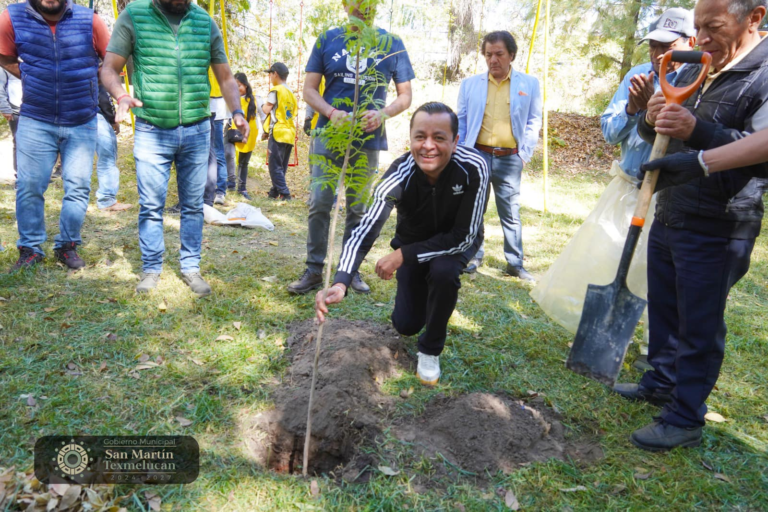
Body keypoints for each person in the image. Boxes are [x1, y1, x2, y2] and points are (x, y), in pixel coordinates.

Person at [613, 0, 768, 452]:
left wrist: (697, 131)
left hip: (721, 221)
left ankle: (685, 416)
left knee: (698, 322)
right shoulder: (693, 66)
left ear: (754, 18)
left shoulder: (762, 73)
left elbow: (760, 151)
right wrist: (645, 114)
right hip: (673, 206)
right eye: (697, 27)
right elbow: (659, 132)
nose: (700, 38)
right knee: (664, 305)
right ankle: (660, 381)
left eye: (713, 27)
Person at [315, 102, 489, 386]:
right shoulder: (399, 173)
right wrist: (341, 281)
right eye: (420, 137)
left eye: (439, 137)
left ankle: (430, 350)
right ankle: (419, 301)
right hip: (413, 243)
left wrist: (402, 256)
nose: (428, 146)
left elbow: (465, 236)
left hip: (455, 243)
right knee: (405, 324)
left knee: (444, 273)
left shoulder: (474, 167)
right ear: (410, 140)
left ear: (455, 141)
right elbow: (365, 228)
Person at [101, 0, 248, 296]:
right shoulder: (134, 16)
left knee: (193, 206)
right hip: (151, 129)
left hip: (196, 129)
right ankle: (152, 268)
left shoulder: (204, 21)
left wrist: (238, 111)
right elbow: (109, 68)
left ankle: (191, 266)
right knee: (152, 206)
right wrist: (120, 95)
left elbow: (225, 76)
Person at [288, 0, 415, 295]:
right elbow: (309, 90)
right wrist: (331, 112)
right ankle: (314, 270)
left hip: (367, 141)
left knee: (358, 208)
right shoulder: (327, 39)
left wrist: (383, 114)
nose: (363, 6)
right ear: (345, 4)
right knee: (320, 201)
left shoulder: (392, 43)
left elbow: (405, 95)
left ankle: (349, 271)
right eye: (357, 1)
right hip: (328, 135)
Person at [602, 7, 696, 371]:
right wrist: (631, 108)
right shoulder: (637, 77)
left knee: (657, 275)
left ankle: (648, 346)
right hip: (628, 187)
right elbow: (610, 132)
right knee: (614, 263)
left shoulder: (698, 81)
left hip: (667, 195)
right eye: (654, 47)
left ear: (689, 44)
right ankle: (608, 330)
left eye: (667, 47)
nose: (659, 56)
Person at [0, 0, 110, 272]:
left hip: (81, 119)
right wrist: (30, 75)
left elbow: (111, 61)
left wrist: (86, 82)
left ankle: (67, 246)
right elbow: (4, 55)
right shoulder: (10, 17)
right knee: (29, 186)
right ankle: (30, 249)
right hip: (36, 117)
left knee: (78, 187)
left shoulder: (90, 20)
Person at [457, 30, 542, 281]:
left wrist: (524, 154)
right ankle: (473, 255)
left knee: (511, 213)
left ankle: (515, 263)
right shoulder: (470, 85)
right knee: (474, 208)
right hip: (477, 156)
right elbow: (460, 121)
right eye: (488, 54)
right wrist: (462, 153)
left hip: (510, 158)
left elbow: (533, 121)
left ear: (511, 55)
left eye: (499, 54)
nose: (493, 59)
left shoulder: (529, 84)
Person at [262, 62, 297, 201]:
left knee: (274, 166)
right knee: (281, 165)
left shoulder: (276, 91)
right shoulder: (291, 93)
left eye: (270, 74)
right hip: (289, 132)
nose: (270, 77)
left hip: (278, 132)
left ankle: (285, 193)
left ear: (275, 74)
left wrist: (260, 104)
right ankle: (274, 192)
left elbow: (266, 110)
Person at [95, 81, 132, 212]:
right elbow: (104, 96)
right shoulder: (95, 67)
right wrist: (112, 119)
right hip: (96, 116)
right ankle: (106, 200)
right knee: (107, 159)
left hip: (67, 117)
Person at [231, 72, 258, 200]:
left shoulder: (253, 99)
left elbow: (258, 117)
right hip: (233, 133)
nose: (237, 89)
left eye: (239, 85)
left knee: (243, 162)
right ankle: (230, 184)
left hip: (249, 135)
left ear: (246, 85)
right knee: (229, 158)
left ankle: (241, 188)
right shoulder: (232, 99)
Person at [0, 67, 20, 177]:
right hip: (16, 111)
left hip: (37, 111)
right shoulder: (6, 64)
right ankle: (20, 175)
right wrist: (5, 108)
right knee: (19, 142)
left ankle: (38, 175)